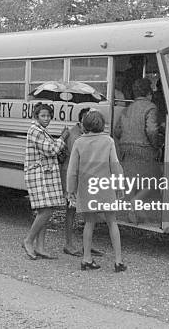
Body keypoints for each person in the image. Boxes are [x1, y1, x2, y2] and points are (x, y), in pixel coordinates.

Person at [67, 109, 126, 272]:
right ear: (102, 125)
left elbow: (72, 170)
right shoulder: (108, 141)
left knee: (89, 223)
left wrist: (70, 190)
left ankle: (86, 258)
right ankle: (118, 261)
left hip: (87, 187)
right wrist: (119, 185)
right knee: (112, 222)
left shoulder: (79, 142)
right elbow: (115, 165)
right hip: (105, 186)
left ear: (84, 125)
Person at [22, 103, 69, 260]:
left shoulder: (41, 130)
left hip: (43, 175)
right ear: (36, 116)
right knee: (46, 211)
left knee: (44, 211)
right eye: (43, 116)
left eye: (48, 116)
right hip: (38, 175)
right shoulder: (35, 130)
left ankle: (40, 247)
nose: (46, 118)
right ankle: (29, 240)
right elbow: (51, 150)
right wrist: (62, 138)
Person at [113, 78, 165, 222]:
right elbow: (152, 130)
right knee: (154, 181)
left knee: (132, 183)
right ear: (149, 93)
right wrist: (157, 144)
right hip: (144, 150)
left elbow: (117, 131)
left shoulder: (127, 108)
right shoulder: (151, 107)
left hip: (126, 149)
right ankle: (135, 204)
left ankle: (134, 213)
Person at [59, 107, 103, 258]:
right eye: (88, 120)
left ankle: (87, 245)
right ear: (81, 120)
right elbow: (76, 160)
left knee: (87, 211)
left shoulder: (85, 134)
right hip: (72, 175)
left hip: (83, 175)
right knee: (71, 209)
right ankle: (68, 244)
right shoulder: (74, 136)